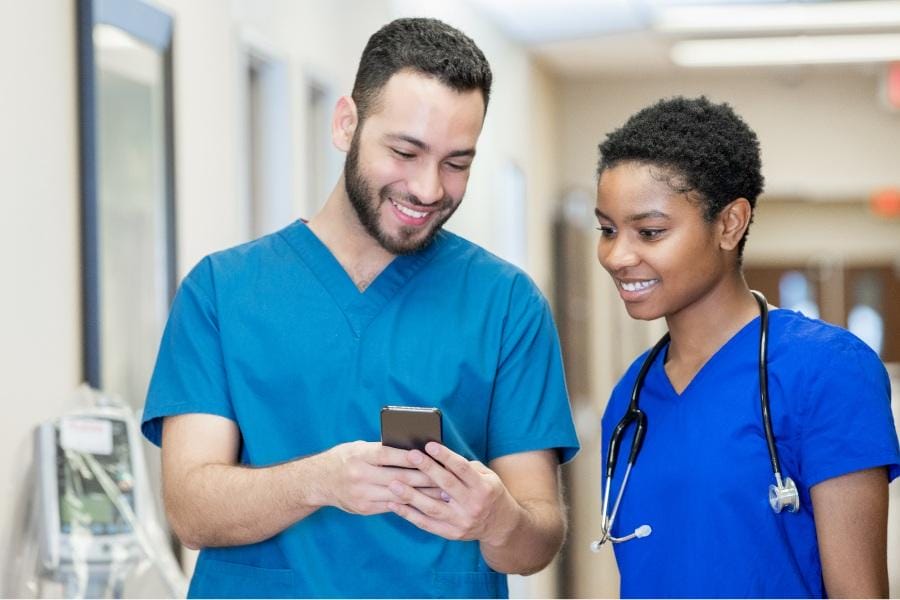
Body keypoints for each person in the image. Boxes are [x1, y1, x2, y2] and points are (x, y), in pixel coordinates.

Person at [141, 17, 579, 599]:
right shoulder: (223, 291)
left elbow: (538, 539)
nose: (428, 189)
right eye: (405, 151)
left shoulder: (506, 305)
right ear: (346, 123)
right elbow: (191, 511)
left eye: (456, 163)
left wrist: (498, 518)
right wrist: (320, 481)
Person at [592, 96, 900, 598]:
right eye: (607, 230)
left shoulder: (826, 371)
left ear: (730, 224)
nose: (617, 255)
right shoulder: (633, 396)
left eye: (649, 231)